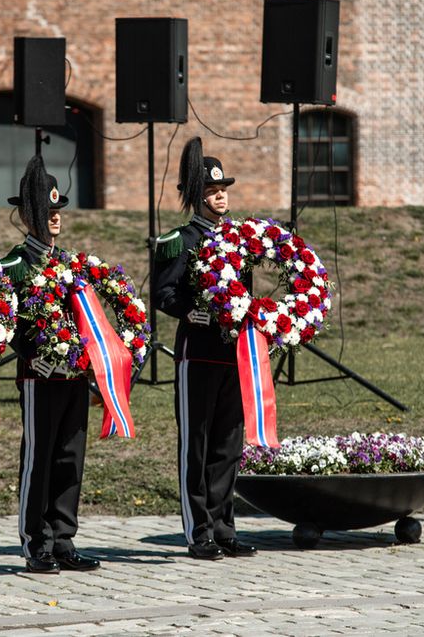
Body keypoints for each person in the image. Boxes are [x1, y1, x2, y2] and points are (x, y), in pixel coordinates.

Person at [153, 137, 257, 560]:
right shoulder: (181, 239)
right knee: (196, 443)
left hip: (233, 353)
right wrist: (189, 310)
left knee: (229, 444)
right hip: (198, 353)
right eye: (213, 190)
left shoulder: (241, 239)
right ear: (197, 195)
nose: (221, 196)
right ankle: (199, 530)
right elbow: (163, 292)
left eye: (224, 189)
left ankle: (223, 525)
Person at [0, 154, 100, 574]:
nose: (55, 218)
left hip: (74, 375)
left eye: (58, 210)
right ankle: (35, 540)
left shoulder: (71, 264)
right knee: (39, 457)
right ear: (25, 216)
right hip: (40, 377)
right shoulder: (15, 265)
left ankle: (63, 538)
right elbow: (7, 321)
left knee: (69, 456)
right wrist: (33, 357)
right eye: (46, 211)